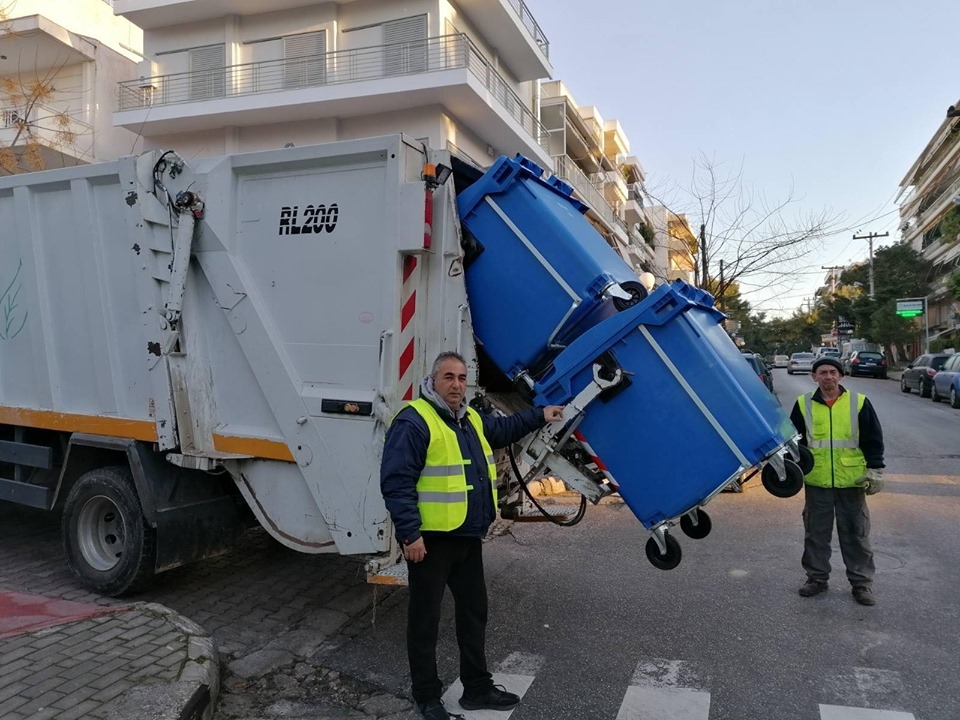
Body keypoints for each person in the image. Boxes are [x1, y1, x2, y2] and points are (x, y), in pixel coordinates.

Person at [380, 351, 565, 720]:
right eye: (448, 377)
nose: (456, 385)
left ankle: (476, 689)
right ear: (432, 380)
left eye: (462, 378)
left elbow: (503, 431)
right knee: (425, 623)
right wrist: (410, 534)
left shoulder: (469, 419)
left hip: (466, 538)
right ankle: (428, 697)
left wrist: (541, 414)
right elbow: (396, 482)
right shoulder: (415, 421)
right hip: (430, 543)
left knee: (473, 614)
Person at [789, 355, 885, 606]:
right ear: (814, 377)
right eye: (822, 372)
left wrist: (876, 469)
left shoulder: (859, 402)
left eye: (833, 372)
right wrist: (792, 471)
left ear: (841, 376)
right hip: (817, 480)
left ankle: (862, 584)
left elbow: (873, 439)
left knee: (856, 534)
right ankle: (817, 579)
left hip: (852, 481)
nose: (828, 376)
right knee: (816, 534)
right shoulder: (803, 404)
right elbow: (794, 443)